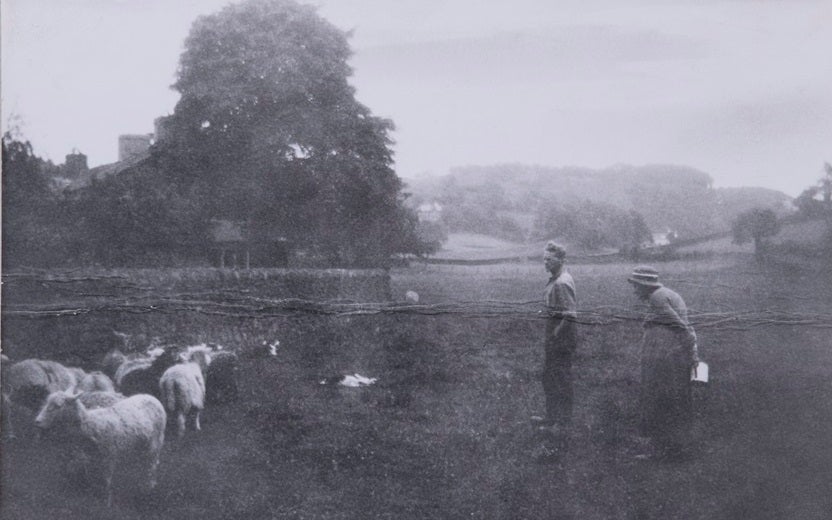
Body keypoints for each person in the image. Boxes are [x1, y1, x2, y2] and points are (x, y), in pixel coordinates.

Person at [628, 266, 699, 460]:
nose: (634, 291)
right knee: (670, 399)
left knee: (661, 400)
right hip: (668, 356)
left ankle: (665, 450)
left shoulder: (657, 298)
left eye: (636, 286)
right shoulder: (664, 295)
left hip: (667, 359)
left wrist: (692, 354)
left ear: (644, 285)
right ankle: (672, 447)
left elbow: (681, 327)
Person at [532, 241, 578, 457]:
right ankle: (552, 418)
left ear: (560, 260)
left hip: (561, 338)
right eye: (543, 259)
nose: (545, 262)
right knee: (549, 377)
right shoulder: (555, 280)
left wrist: (555, 335)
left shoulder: (562, 282)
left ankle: (562, 422)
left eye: (549, 259)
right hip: (554, 335)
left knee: (560, 379)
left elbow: (571, 315)